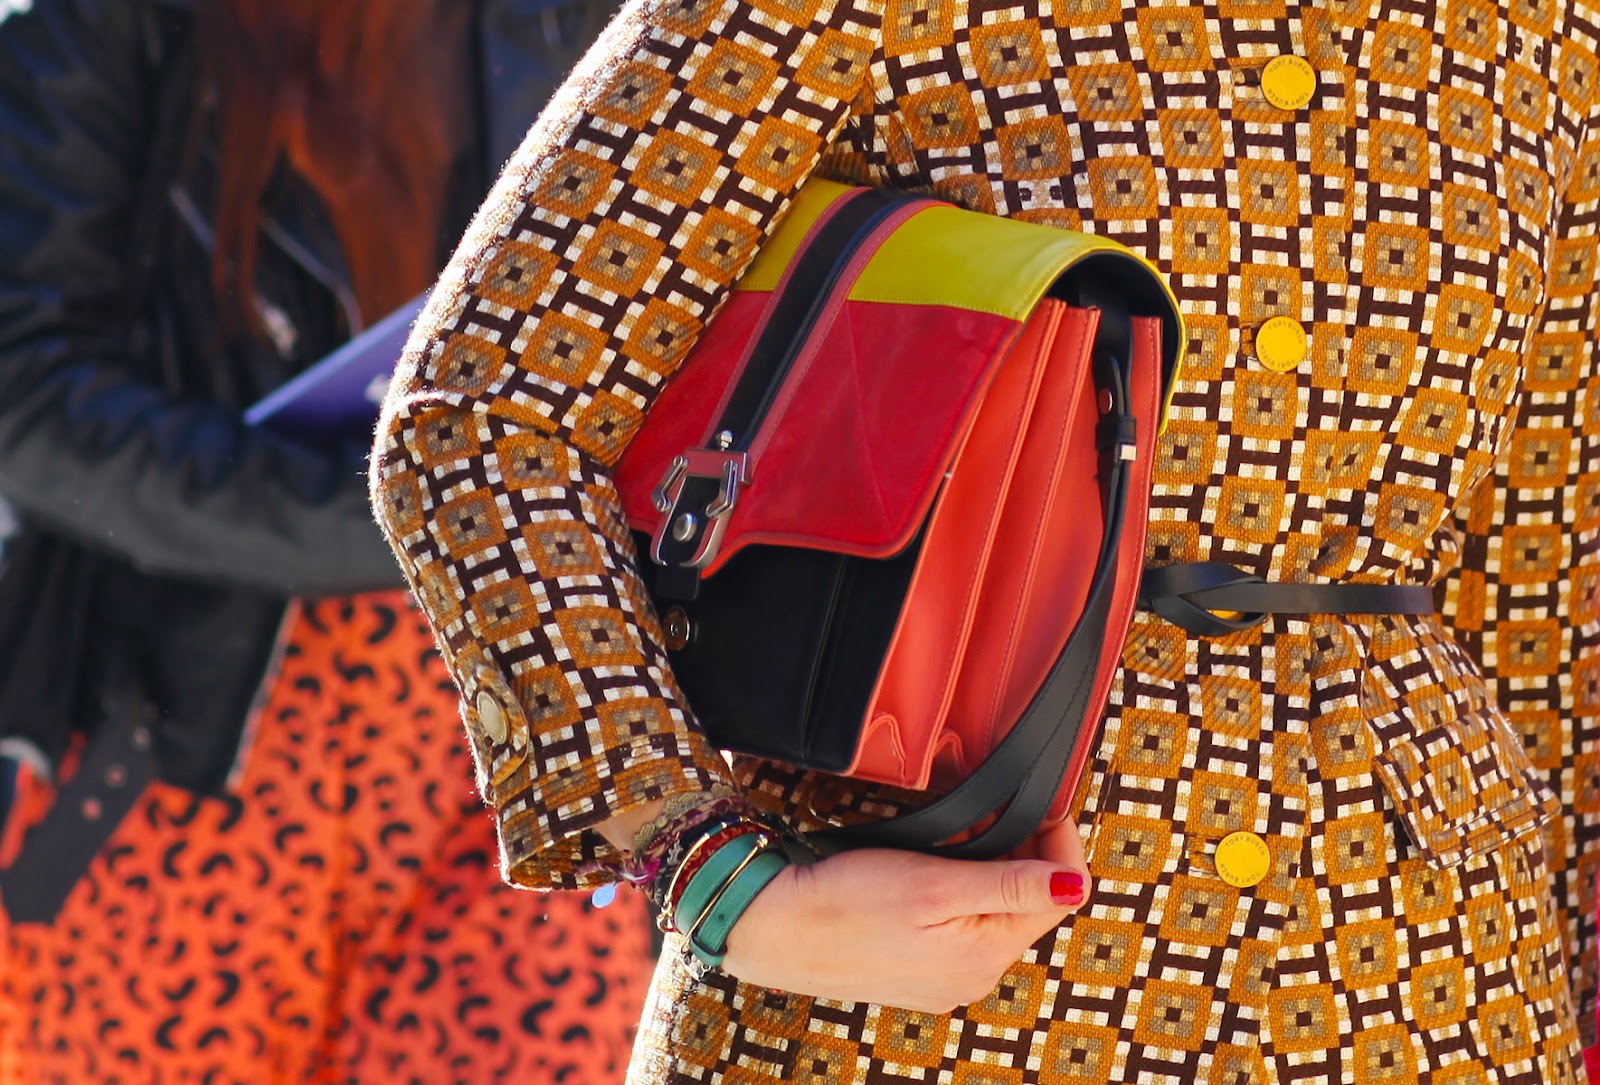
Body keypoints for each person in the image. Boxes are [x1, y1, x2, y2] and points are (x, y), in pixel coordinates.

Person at [370, 0, 1600, 1078]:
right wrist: (711, 869)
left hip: (1431, 980)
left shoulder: (1546, 33)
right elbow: (482, 415)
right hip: (926, 985)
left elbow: (1544, 580)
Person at [0, 1, 658, 1080]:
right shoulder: (111, 25)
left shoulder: (567, 22)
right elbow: (22, 390)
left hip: (501, 749)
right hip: (187, 750)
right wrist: (368, 511)